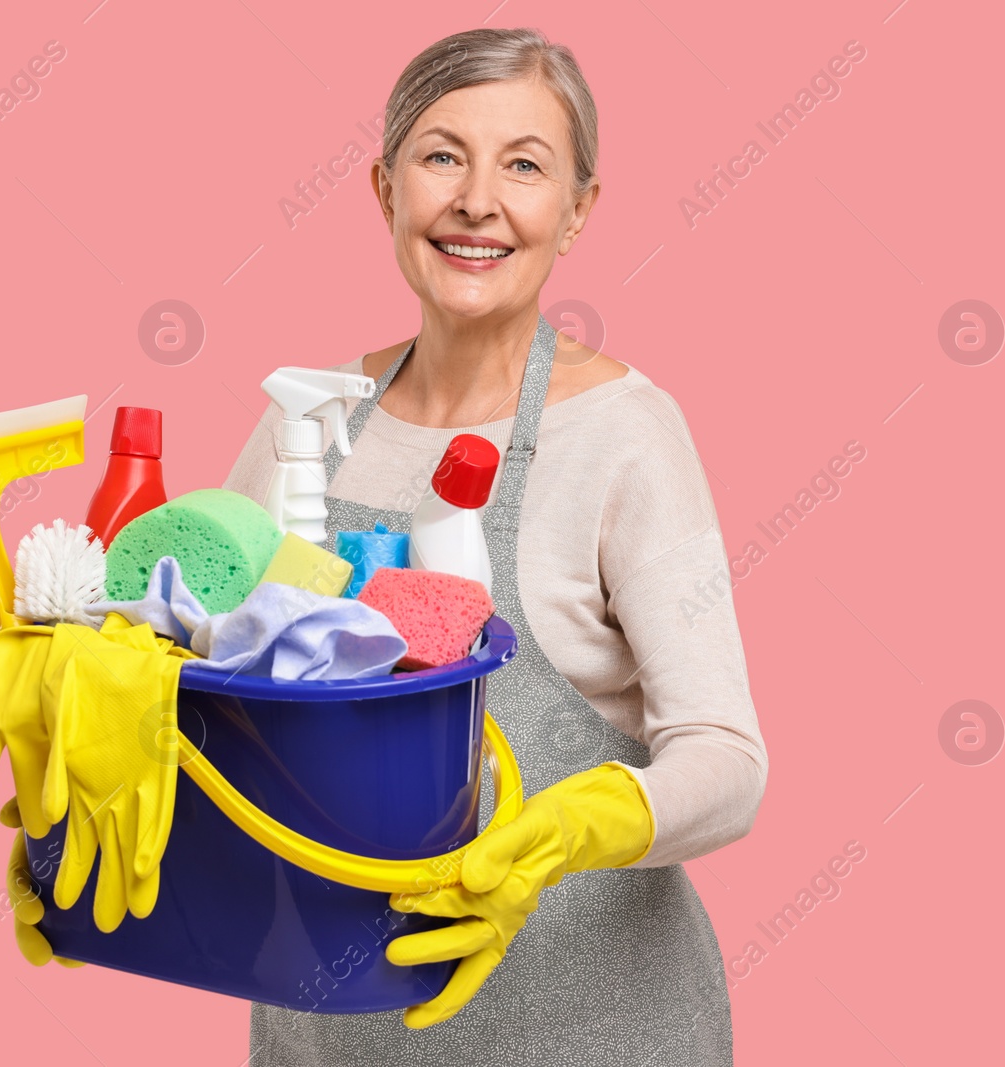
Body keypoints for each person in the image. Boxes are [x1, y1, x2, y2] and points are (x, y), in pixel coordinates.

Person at [219, 26, 769, 1067]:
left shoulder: (625, 435)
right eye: (441, 157)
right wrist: (101, 854)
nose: (478, 200)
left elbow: (728, 761)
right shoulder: (307, 420)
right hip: (323, 1040)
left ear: (577, 211)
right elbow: (204, 699)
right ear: (385, 190)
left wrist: (572, 827)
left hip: (593, 1036)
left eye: (524, 164)